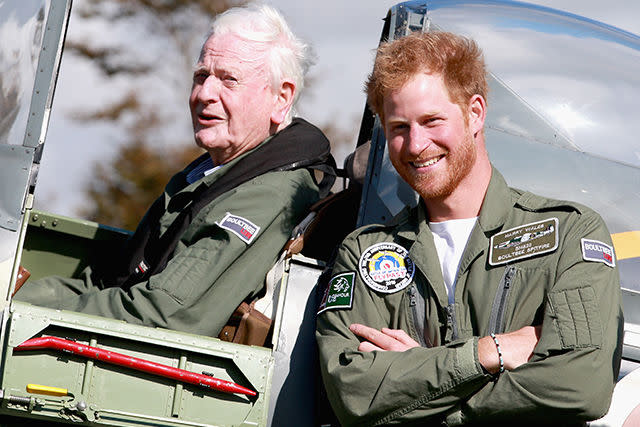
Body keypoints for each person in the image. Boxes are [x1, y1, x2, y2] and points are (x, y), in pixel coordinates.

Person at [316, 31, 622, 425]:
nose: (415, 145)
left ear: (475, 112)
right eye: (399, 128)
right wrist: (489, 353)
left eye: (431, 121)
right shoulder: (363, 252)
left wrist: (426, 397)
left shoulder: (570, 235)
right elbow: (353, 394)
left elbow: (582, 386)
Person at [16, 3, 335, 339]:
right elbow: (110, 281)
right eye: (201, 76)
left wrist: (20, 309)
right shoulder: (209, 175)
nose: (204, 94)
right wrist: (17, 293)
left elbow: (161, 314)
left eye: (229, 80)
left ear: (281, 98)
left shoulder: (267, 193)